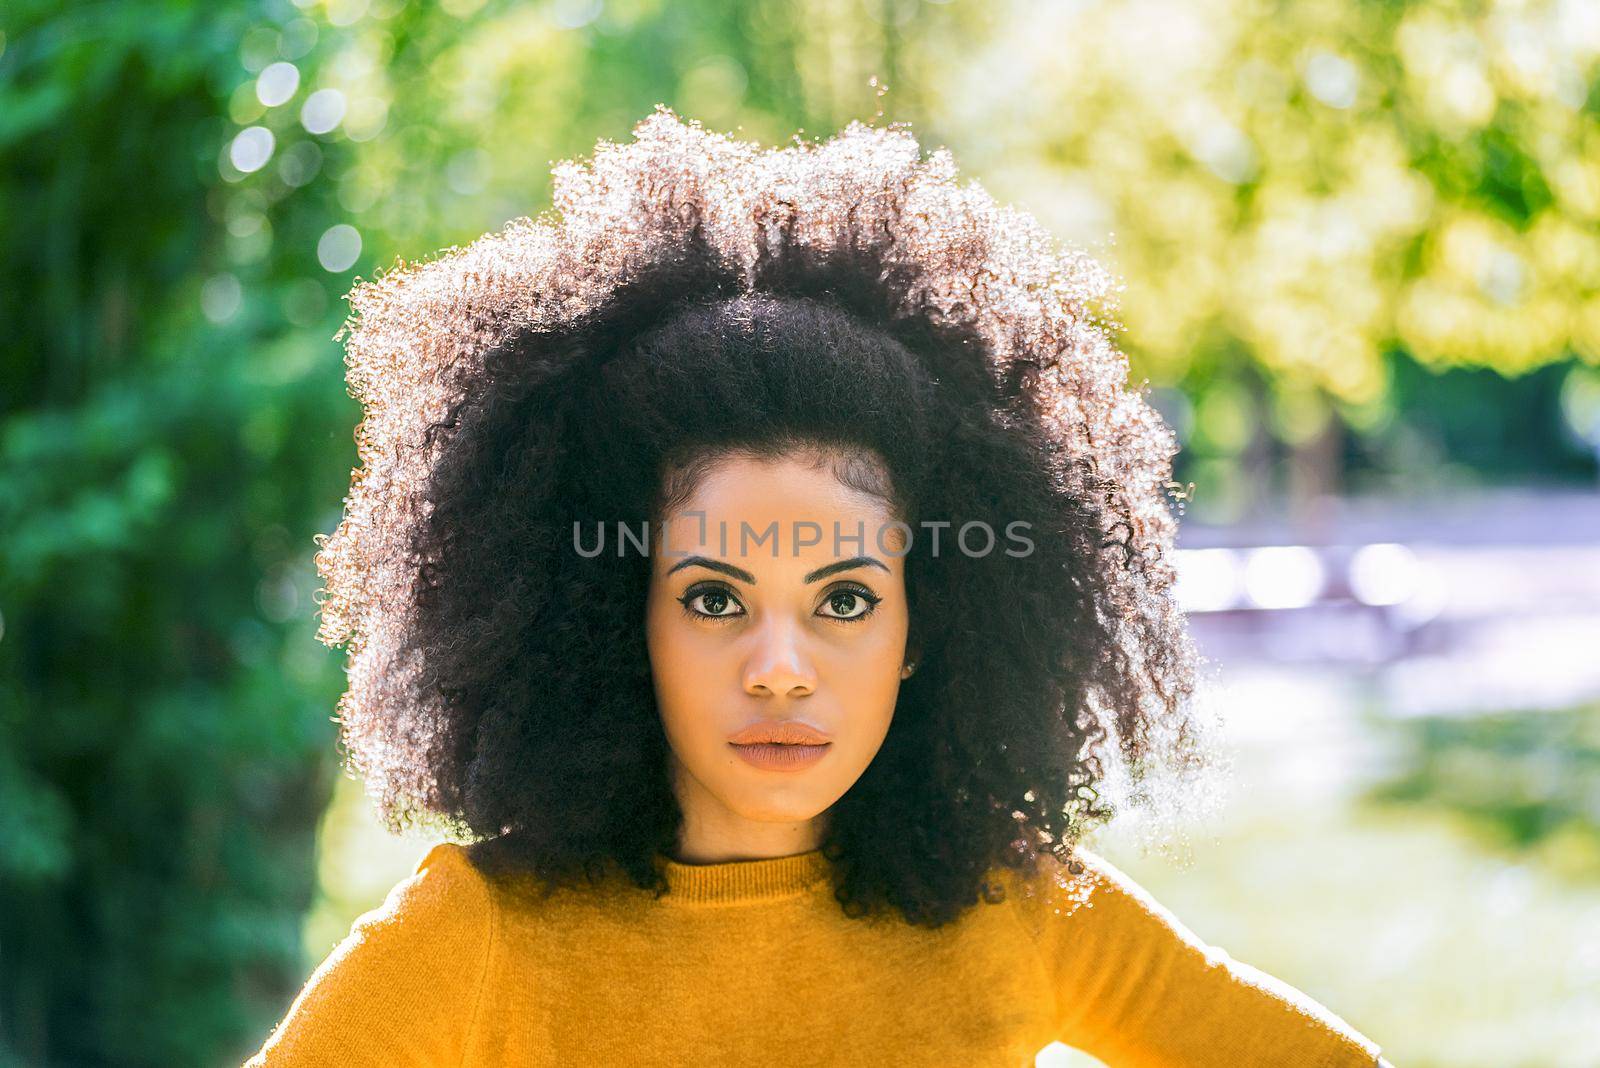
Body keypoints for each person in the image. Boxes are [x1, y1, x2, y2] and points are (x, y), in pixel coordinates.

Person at [243, 107, 1391, 1067]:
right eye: (711, 598)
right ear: (609, 621)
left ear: (920, 628)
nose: (779, 667)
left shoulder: (1022, 912)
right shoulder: (478, 939)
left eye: (843, 600)